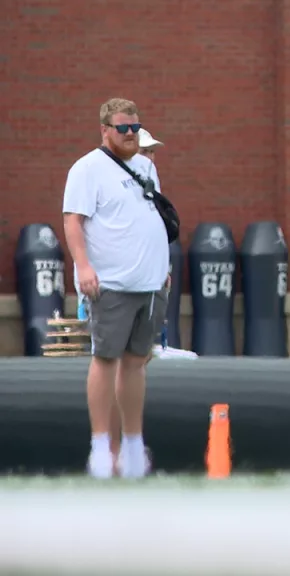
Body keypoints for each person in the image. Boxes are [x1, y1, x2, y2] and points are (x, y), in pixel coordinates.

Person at [62, 97, 169, 479]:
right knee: (106, 359)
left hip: (150, 282)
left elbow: (150, 217)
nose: (130, 135)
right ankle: (101, 446)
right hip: (110, 282)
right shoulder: (87, 169)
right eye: (123, 128)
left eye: (135, 128)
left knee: (137, 362)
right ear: (105, 130)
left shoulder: (146, 167)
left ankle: (134, 446)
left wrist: (163, 266)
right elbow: (73, 222)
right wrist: (84, 266)